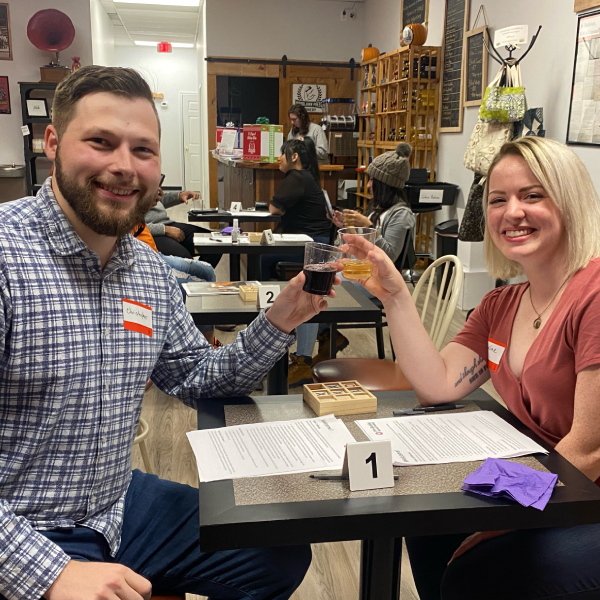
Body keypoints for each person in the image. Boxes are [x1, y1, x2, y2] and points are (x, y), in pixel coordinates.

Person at [0, 65, 345, 600]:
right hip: (23, 523)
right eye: (100, 142)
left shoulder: (147, 269)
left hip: (115, 504)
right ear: (52, 143)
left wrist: (282, 318)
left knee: (274, 552)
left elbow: (198, 377)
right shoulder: (6, 257)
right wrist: (48, 572)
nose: (124, 167)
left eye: (143, 150)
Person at [342, 136, 600, 600]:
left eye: (533, 195)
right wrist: (396, 295)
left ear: (570, 201)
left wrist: (495, 526)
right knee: (427, 525)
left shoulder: (594, 295)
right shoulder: (503, 303)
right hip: (547, 477)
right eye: (498, 200)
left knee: (474, 573)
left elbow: (588, 452)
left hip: (585, 493)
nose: (512, 212)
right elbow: (437, 385)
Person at [289, 143, 416, 387]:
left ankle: (305, 360)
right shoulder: (380, 209)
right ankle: (328, 337)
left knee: (314, 286)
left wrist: (367, 226)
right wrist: (344, 227)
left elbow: (389, 256)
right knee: (315, 280)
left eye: (372, 180)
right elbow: (360, 248)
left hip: (379, 284)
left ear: (385, 183)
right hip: (360, 275)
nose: (368, 185)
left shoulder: (401, 214)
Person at [263, 137, 331, 279]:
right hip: (316, 242)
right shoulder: (306, 175)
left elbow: (275, 209)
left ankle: (267, 292)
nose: (279, 158)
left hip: (311, 244)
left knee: (260, 255)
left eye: (283, 153)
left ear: (294, 157)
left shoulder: (297, 177)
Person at [145, 187, 220, 267]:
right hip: (150, 233)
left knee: (215, 245)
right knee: (187, 262)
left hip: (167, 224)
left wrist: (179, 196)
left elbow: (157, 202)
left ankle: (199, 277)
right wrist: (164, 229)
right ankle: (193, 276)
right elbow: (132, 226)